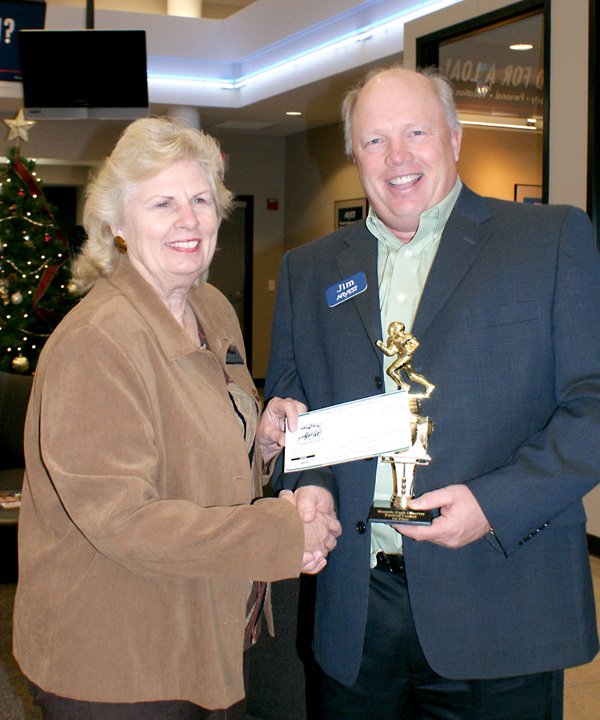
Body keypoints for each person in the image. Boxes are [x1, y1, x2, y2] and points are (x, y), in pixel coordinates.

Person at [264, 65, 600, 719]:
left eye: (415, 132)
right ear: (354, 155)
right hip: (356, 608)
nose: (397, 158)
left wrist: (493, 503)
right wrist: (303, 481)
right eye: (374, 140)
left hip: (501, 594)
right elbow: (293, 396)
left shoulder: (549, 240)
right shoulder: (309, 270)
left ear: (454, 136)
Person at [12, 116, 341, 720]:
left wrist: (262, 440)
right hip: (117, 656)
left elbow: (200, 443)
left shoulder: (211, 308)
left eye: (200, 199)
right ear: (116, 224)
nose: (189, 220)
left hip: (203, 629)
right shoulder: (97, 343)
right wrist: (279, 536)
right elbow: (124, 520)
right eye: (162, 202)